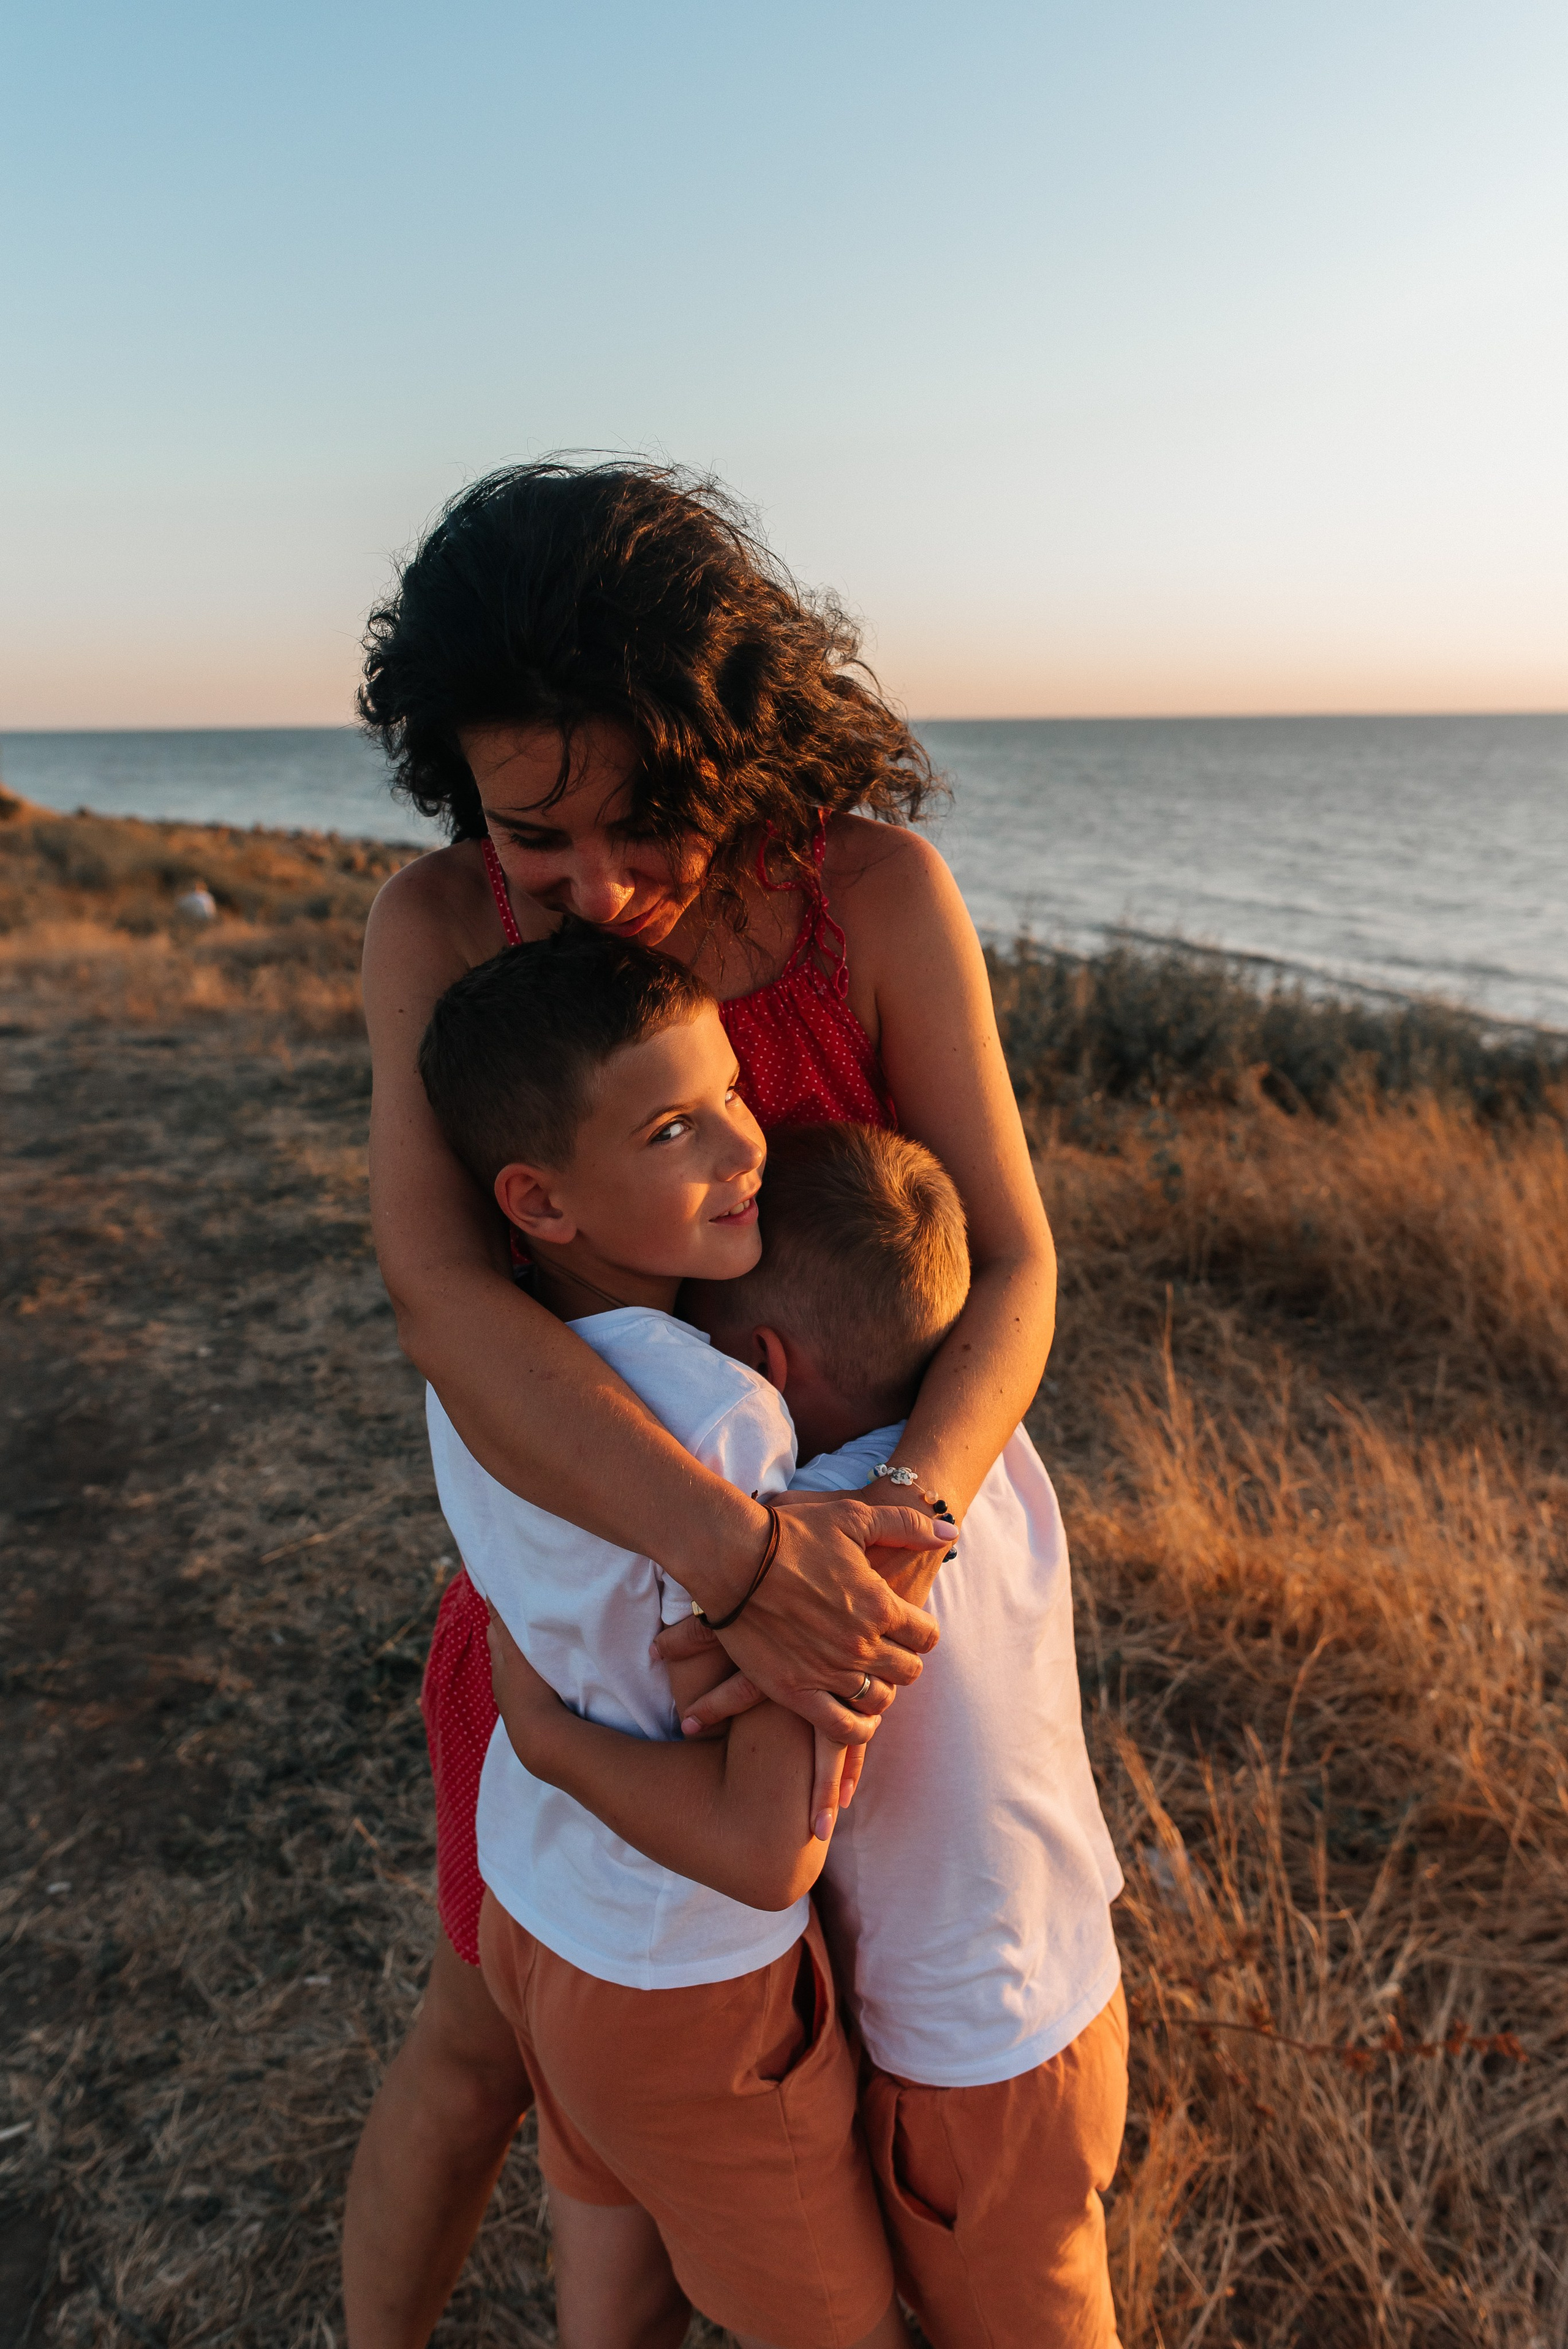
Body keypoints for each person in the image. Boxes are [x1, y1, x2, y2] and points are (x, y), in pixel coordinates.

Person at [343, 461, 1057, 2345]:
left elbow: (1016, 1266)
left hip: (873, 1626)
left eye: (648, 816)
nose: (599, 889)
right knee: (490, 2049)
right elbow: (440, 1293)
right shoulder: (437, 933)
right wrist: (739, 1561)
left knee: (850, 2074)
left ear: (735, 744)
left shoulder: (870, 896)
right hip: (603, 1622)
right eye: (534, 835)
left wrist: (884, 1543)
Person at [493, 1122, 1128, 2349]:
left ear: (761, 1361)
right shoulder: (989, 1456)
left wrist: (551, 1735)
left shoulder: (822, 1538)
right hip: (1060, 1984)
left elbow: (702, 1704)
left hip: (965, 2056)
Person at [417, 923, 919, 2349]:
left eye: (730, 1094)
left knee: (615, 2301)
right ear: (540, 1199)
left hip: (533, 1922)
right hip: (684, 1973)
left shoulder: (480, 1370)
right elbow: (768, 1851)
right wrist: (547, 1735)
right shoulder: (724, 1424)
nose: (744, 1145)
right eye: (671, 1128)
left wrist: (539, 1733)